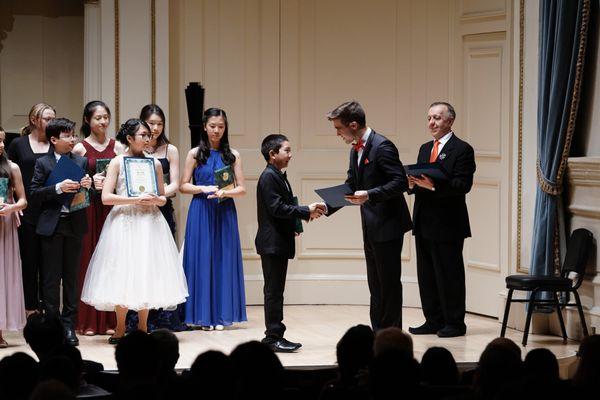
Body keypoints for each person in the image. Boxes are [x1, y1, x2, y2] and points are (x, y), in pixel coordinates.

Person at [80, 119, 188, 344]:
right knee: (122, 270)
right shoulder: (117, 162)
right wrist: (133, 199)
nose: (148, 139)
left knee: (146, 271)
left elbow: (161, 198)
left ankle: (142, 326)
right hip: (124, 220)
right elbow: (106, 197)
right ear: (130, 139)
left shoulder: (155, 164)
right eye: (143, 135)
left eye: (149, 135)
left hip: (150, 222)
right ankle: (120, 327)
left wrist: (153, 200)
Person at [326, 101, 412, 331]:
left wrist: (370, 195)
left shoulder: (382, 146)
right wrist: (326, 206)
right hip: (371, 225)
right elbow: (352, 184)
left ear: (353, 124)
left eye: (338, 128)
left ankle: (391, 336)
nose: (337, 133)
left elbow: (400, 182)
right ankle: (378, 333)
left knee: (389, 284)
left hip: (388, 225)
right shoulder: (355, 149)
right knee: (376, 285)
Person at [407, 102, 475, 338]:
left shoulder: (462, 149)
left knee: (449, 274)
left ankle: (455, 323)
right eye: (429, 118)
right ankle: (433, 320)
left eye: (437, 118)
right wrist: (412, 184)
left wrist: (434, 185)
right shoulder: (425, 148)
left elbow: (462, 185)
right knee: (426, 274)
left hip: (448, 224)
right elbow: (420, 181)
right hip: (424, 221)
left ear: (450, 121)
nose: (431, 123)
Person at [255, 134, 325, 352]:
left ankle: (276, 334)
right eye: (286, 150)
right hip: (272, 244)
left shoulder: (277, 175)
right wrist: (306, 210)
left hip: (278, 241)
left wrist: (300, 219)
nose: (290, 154)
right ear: (272, 154)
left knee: (276, 291)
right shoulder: (269, 177)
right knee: (274, 292)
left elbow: (282, 208)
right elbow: (277, 208)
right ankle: (272, 337)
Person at [180, 108, 247, 331]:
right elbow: (183, 185)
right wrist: (203, 188)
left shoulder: (233, 155)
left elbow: (242, 189)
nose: (216, 130)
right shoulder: (195, 154)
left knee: (222, 260)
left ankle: (220, 315)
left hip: (224, 210)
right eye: (212, 126)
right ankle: (201, 316)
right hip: (201, 210)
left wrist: (225, 193)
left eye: (220, 126)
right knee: (201, 259)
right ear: (205, 127)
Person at [29, 118, 92, 347]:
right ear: (54, 139)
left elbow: (88, 197)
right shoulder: (43, 163)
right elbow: (34, 193)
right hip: (52, 226)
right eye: (67, 136)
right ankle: (53, 326)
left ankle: (69, 326)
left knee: (72, 279)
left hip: (74, 223)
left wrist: (87, 185)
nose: (72, 139)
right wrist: (58, 187)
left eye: (73, 135)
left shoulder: (81, 161)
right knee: (51, 279)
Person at [72, 100, 121, 336]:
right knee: (88, 260)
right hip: (89, 209)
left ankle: (113, 321)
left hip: (111, 209)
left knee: (113, 261)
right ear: (87, 121)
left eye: (105, 117)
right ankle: (88, 321)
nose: (103, 122)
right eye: (98, 118)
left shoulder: (118, 147)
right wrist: (90, 183)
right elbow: (73, 183)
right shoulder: (80, 149)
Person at [138, 104, 187, 332]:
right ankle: (137, 316)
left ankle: (162, 316)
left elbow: (176, 182)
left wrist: (158, 194)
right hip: (138, 209)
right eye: (151, 124)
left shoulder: (171, 150)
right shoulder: (134, 147)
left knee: (161, 261)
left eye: (159, 124)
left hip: (161, 208)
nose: (155, 128)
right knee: (140, 260)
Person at [7, 103, 56, 317]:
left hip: (52, 211)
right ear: (34, 120)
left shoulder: (56, 145)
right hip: (27, 213)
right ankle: (30, 311)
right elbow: (7, 175)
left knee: (50, 266)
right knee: (29, 263)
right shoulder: (18, 144)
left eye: (54, 118)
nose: (52, 123)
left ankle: (49, 310)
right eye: (48, 119)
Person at [0, 127, 28, 347]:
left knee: (4, 275)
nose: (1, 145)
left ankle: (0, 331)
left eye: (2, 141)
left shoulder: (12, 167)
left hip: (5, 224)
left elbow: (23, 201)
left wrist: (10, 208)